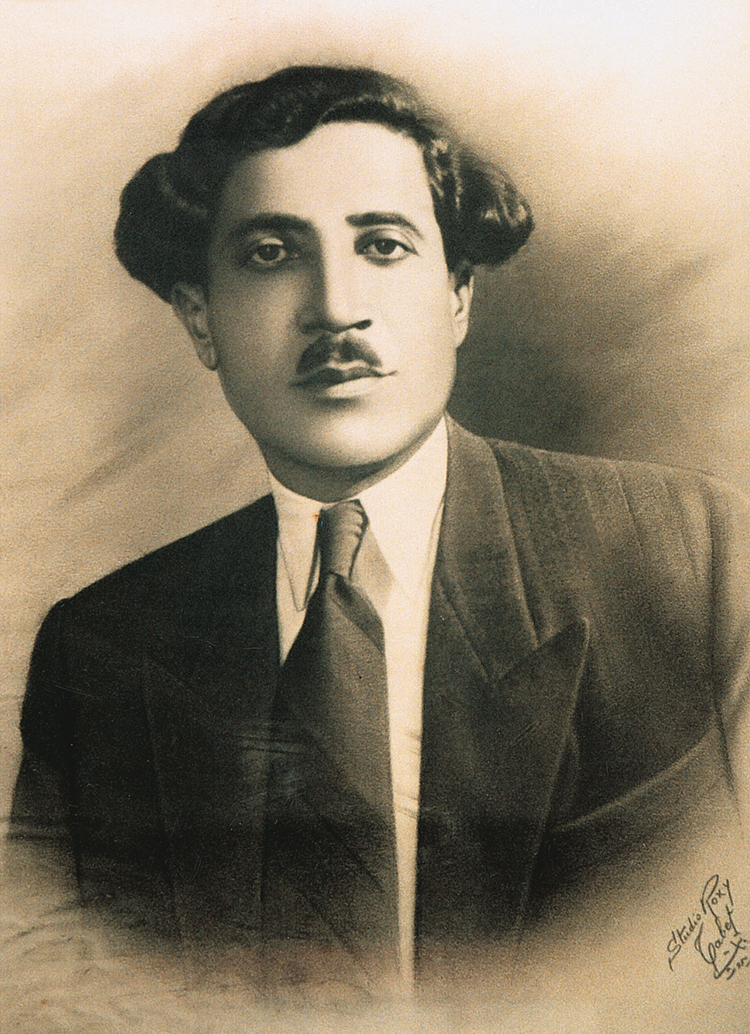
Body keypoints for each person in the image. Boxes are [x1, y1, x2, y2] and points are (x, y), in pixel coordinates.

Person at [10, 64, 750, 998]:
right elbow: (46, 992)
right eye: (271, 253)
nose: (335, 307)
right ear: (201, 319)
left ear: (458, 295)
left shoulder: (694, 555)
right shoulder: (100, 653)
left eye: (384, 246)